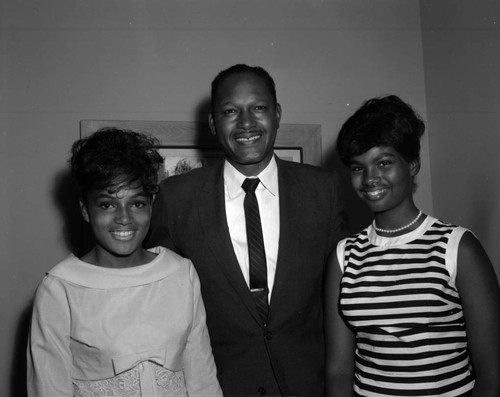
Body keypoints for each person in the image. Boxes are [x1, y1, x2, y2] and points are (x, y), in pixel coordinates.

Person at [146, 64, 348, 397]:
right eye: (230, 111)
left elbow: (343, 300)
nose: (246, 123)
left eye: (258, 108)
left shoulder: (323, 190)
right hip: (216, 386)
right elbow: (161, 309)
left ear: (277, 113)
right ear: (213, 123)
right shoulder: (177, 197)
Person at [325, 95, 500, 396]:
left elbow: (491, 375)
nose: (370, 178)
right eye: (358, 167)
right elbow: (338, 371)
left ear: (413, 164)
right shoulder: (344, 256)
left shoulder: (457, 247)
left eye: (383, 163)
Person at [27, 128, 222, 397]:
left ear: (151, 205)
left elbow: (203, 381)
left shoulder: (181, 273)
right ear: (85, 209)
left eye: (137, 204)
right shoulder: (60, 290)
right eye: (108, 205)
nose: (124, 218)